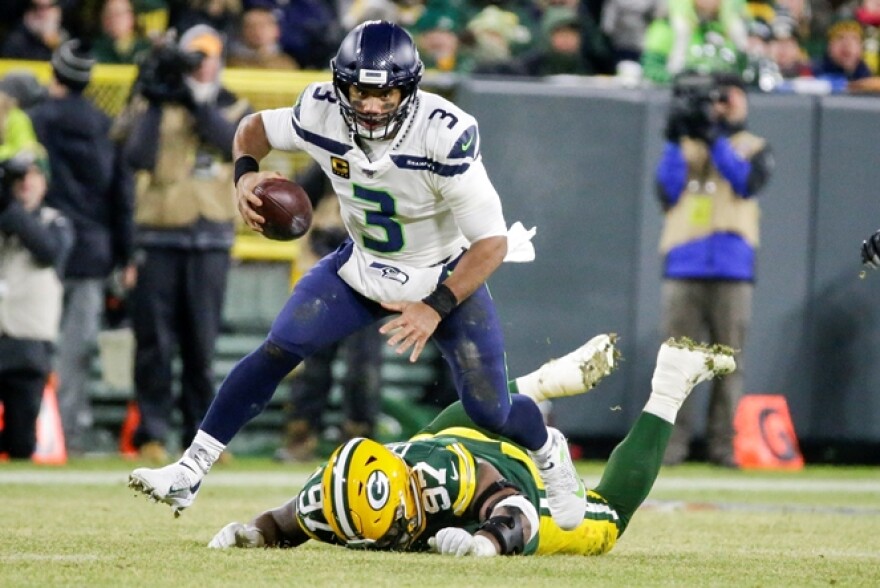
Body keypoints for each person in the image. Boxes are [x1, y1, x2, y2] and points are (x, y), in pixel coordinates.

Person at [129, 20, 596, 531]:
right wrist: (244, 175)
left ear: (408, 88)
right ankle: (190, 470)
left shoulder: (444, 133)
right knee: (280, 348)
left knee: (490, 411)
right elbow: (253, 129)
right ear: (341, 85)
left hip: (440, 274)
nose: (371, 105)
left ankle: (548, 450)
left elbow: (491, 244)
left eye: (385, 92)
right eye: (360, 92)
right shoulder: (321, 110)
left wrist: (435, 306)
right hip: (362, 265)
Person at [205, 338, 734, 555]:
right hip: (450, 429)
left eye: (394, 522)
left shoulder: (441, 481)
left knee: (607, 520)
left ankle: (671, 381)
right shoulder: (332, 499)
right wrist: (252, 533)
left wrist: (487, 541)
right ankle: (541, 382)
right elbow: (284, 521)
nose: (392, 537)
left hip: (508, 475)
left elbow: (516, 509)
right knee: (461, 420)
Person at [113, 24, 251, 462]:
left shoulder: (233, 104)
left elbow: (230, 144)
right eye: (194, 56)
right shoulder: (153, 102)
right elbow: (136, 156)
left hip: (210, 237)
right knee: (154, 342)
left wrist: (192, 100)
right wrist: (156, 99)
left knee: (201, 344)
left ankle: (202, 436)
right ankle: (151, 433)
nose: (201, 65)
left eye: (207, 56)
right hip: (159, 233)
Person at [656, 71, 774, 467]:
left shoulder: (753, 145)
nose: (719, 105)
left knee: (729, 363)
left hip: (732, 267)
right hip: (683, 263)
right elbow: (667, 189)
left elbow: (745, 182)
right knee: (676, 364)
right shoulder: (684, 146)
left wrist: (714, 137)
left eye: (728, 97)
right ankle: (670, 447)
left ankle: (722, 447)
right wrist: (675, 137)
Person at [27, 39, 135, 455]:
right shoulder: (104, 126)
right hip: (92, 250)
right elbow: (121, 196)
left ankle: (26, 427)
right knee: (76, 349)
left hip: (37, 245)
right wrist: (126, 255)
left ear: (54, 72)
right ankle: (66, 433)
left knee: (28, 340)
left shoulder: (34, 120)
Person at [276, 163, 382, 462]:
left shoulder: (396, 161)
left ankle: (359, 441)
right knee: (313, 359)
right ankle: (302, 436)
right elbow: (298, 196)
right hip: (327, 256)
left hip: (371, 264)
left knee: (363, 364)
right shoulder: (333, 153)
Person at [0, 149, 74, 459]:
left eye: (33, 176)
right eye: (18, 178)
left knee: (21, 438)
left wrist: (10, 209)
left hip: (27, 341)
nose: (25, 184)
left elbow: (48, 251)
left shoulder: (56, 222)